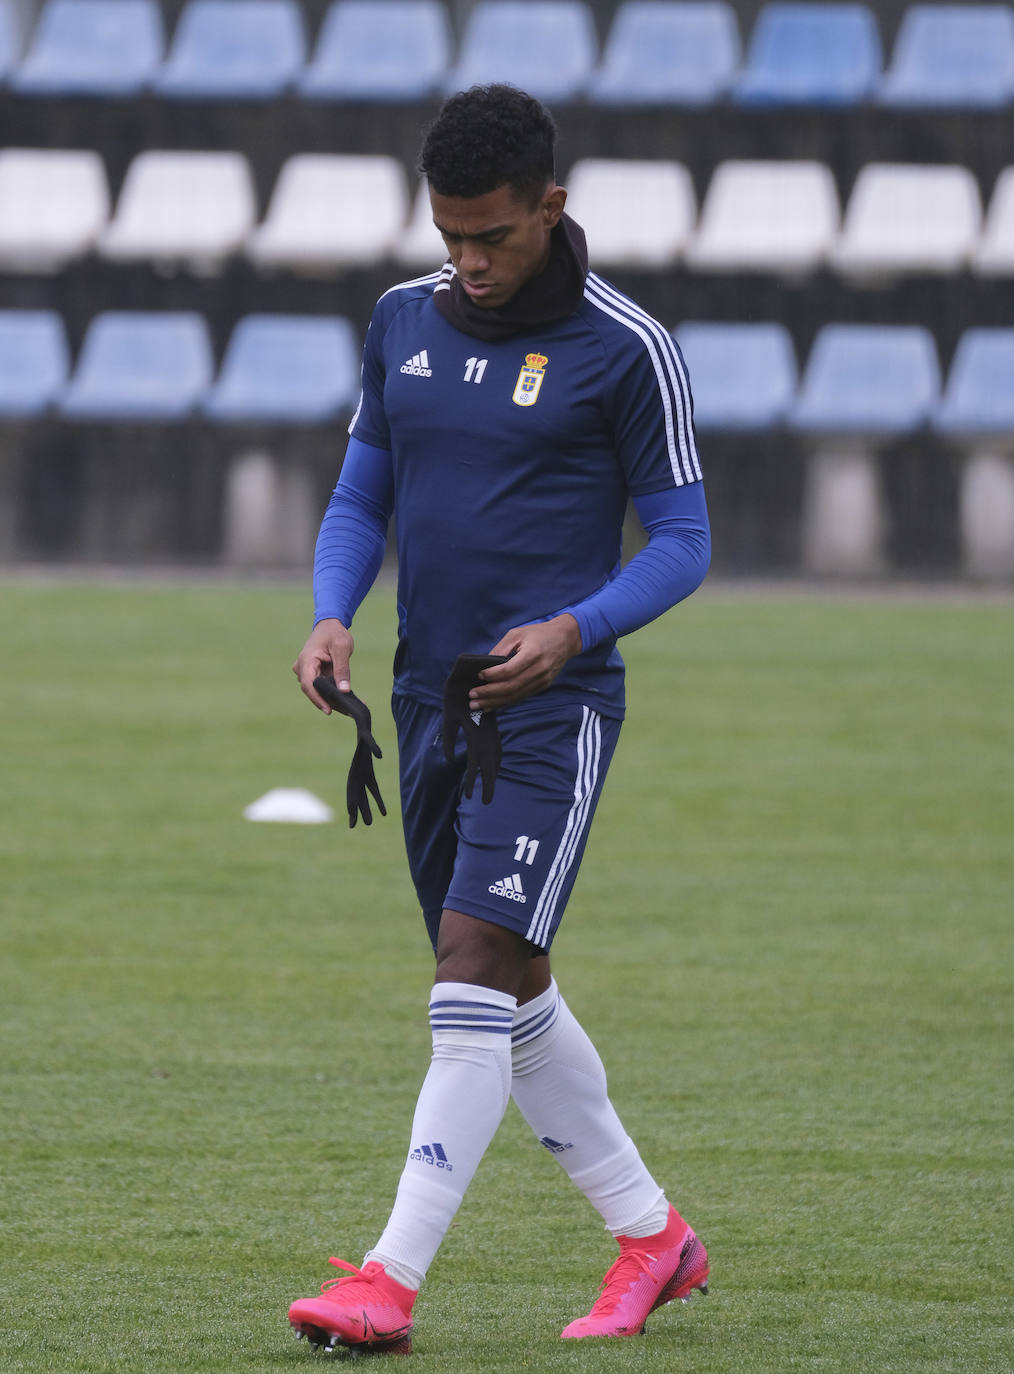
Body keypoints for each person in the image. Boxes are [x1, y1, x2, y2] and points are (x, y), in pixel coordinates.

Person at [289, 83, 711, 1355]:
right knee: (507, 987)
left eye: (494, 237)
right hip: (425, 702)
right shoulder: (401, 320)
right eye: (449, 235)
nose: (467, 264)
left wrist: (577, 627)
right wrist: (331, 610)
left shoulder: (624, 346)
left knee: (469, 969)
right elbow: (367, 486)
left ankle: (388, 1278)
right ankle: (654, 1238)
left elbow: (685, 543)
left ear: (552, 207)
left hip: (552, 709)